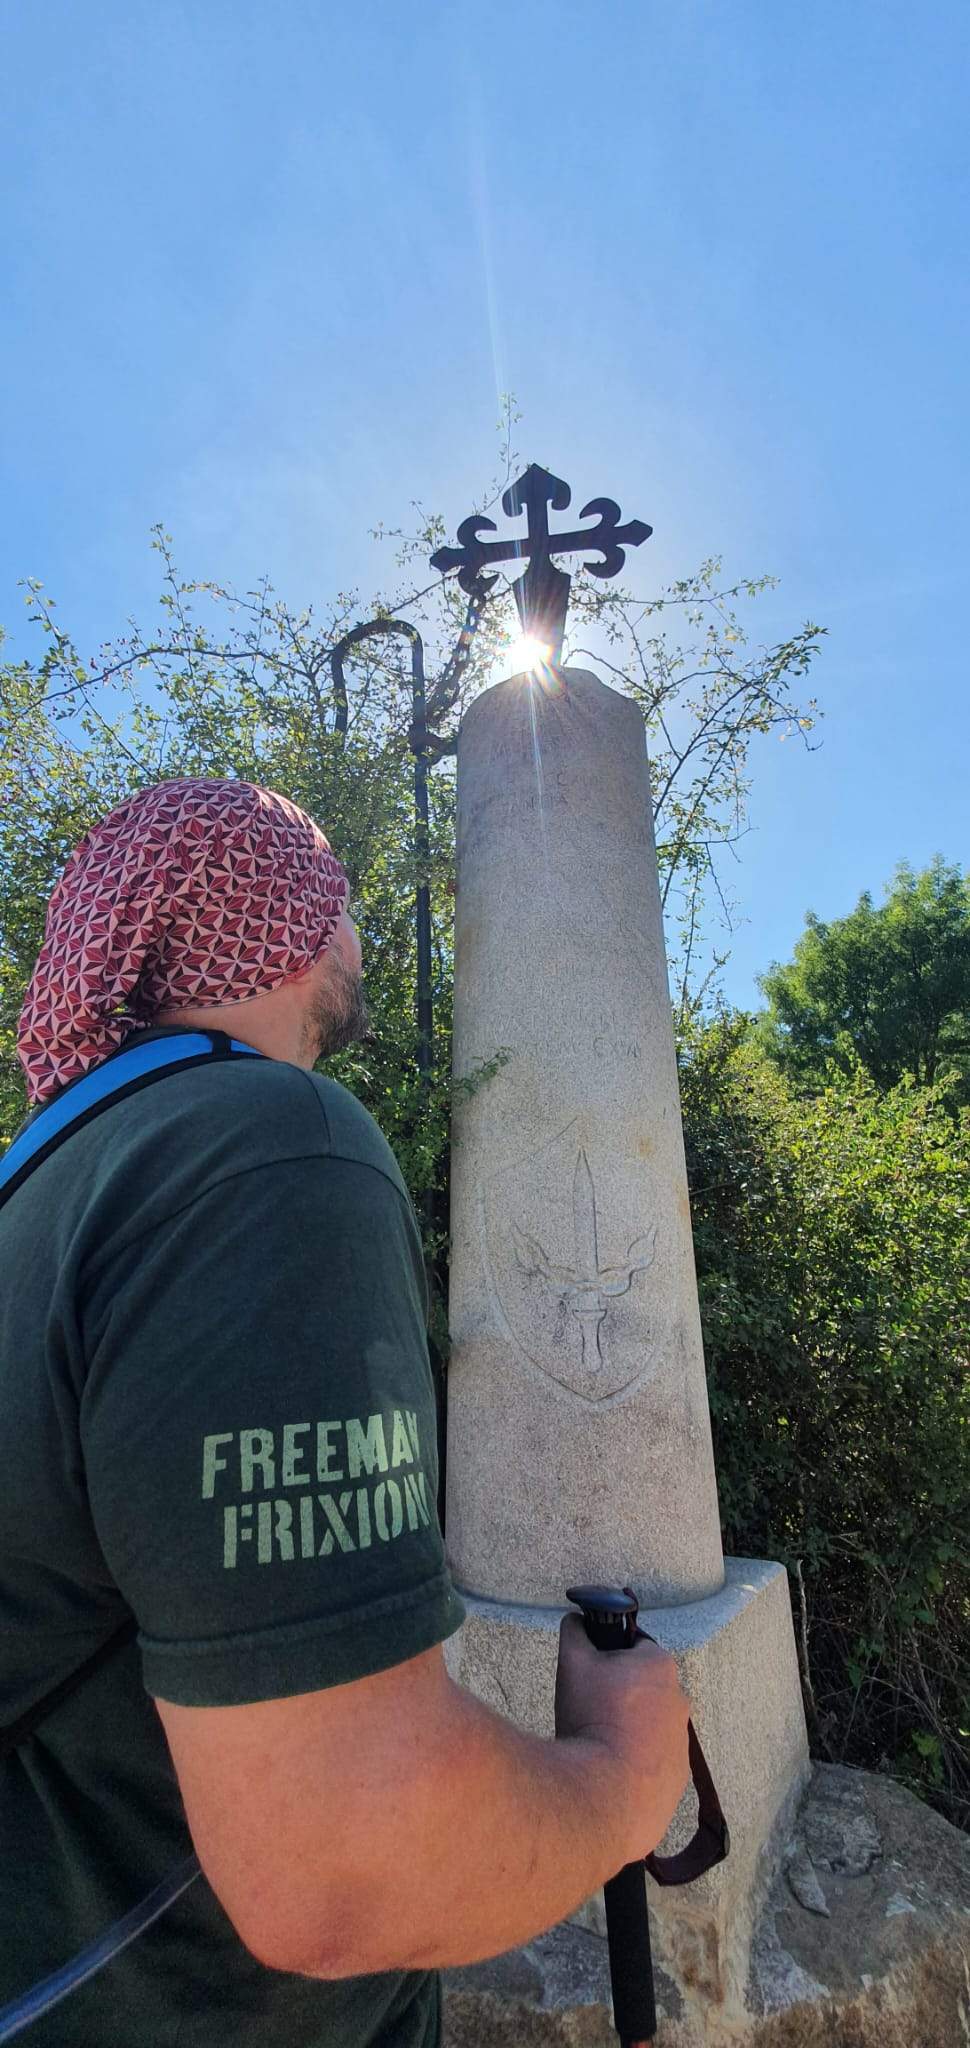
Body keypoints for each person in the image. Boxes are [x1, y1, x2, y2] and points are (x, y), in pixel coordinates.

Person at [0, 777, 691, 2048]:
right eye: (344, 898)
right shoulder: (255, 1147)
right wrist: (624, 1779)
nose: (357, 931)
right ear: (290, 924)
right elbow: (344, 1864)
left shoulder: (43, 1191)